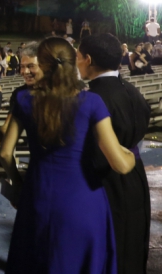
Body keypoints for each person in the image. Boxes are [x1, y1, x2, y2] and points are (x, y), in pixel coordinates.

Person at [0, 37, 137, 273]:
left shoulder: (24, 99)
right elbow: (121, 165)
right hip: (83, 201)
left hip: (38, 194)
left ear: (42, 64)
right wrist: (133, 153)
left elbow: (4, 153)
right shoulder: (91, 102)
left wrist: (19, 184)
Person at [77, 34, 151, 274]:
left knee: (109, 249)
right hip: (135, 176)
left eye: (77, 57)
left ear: (88, 59)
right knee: (133, 244)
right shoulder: (132, 91)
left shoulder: (91, 99)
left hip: (103, 181)